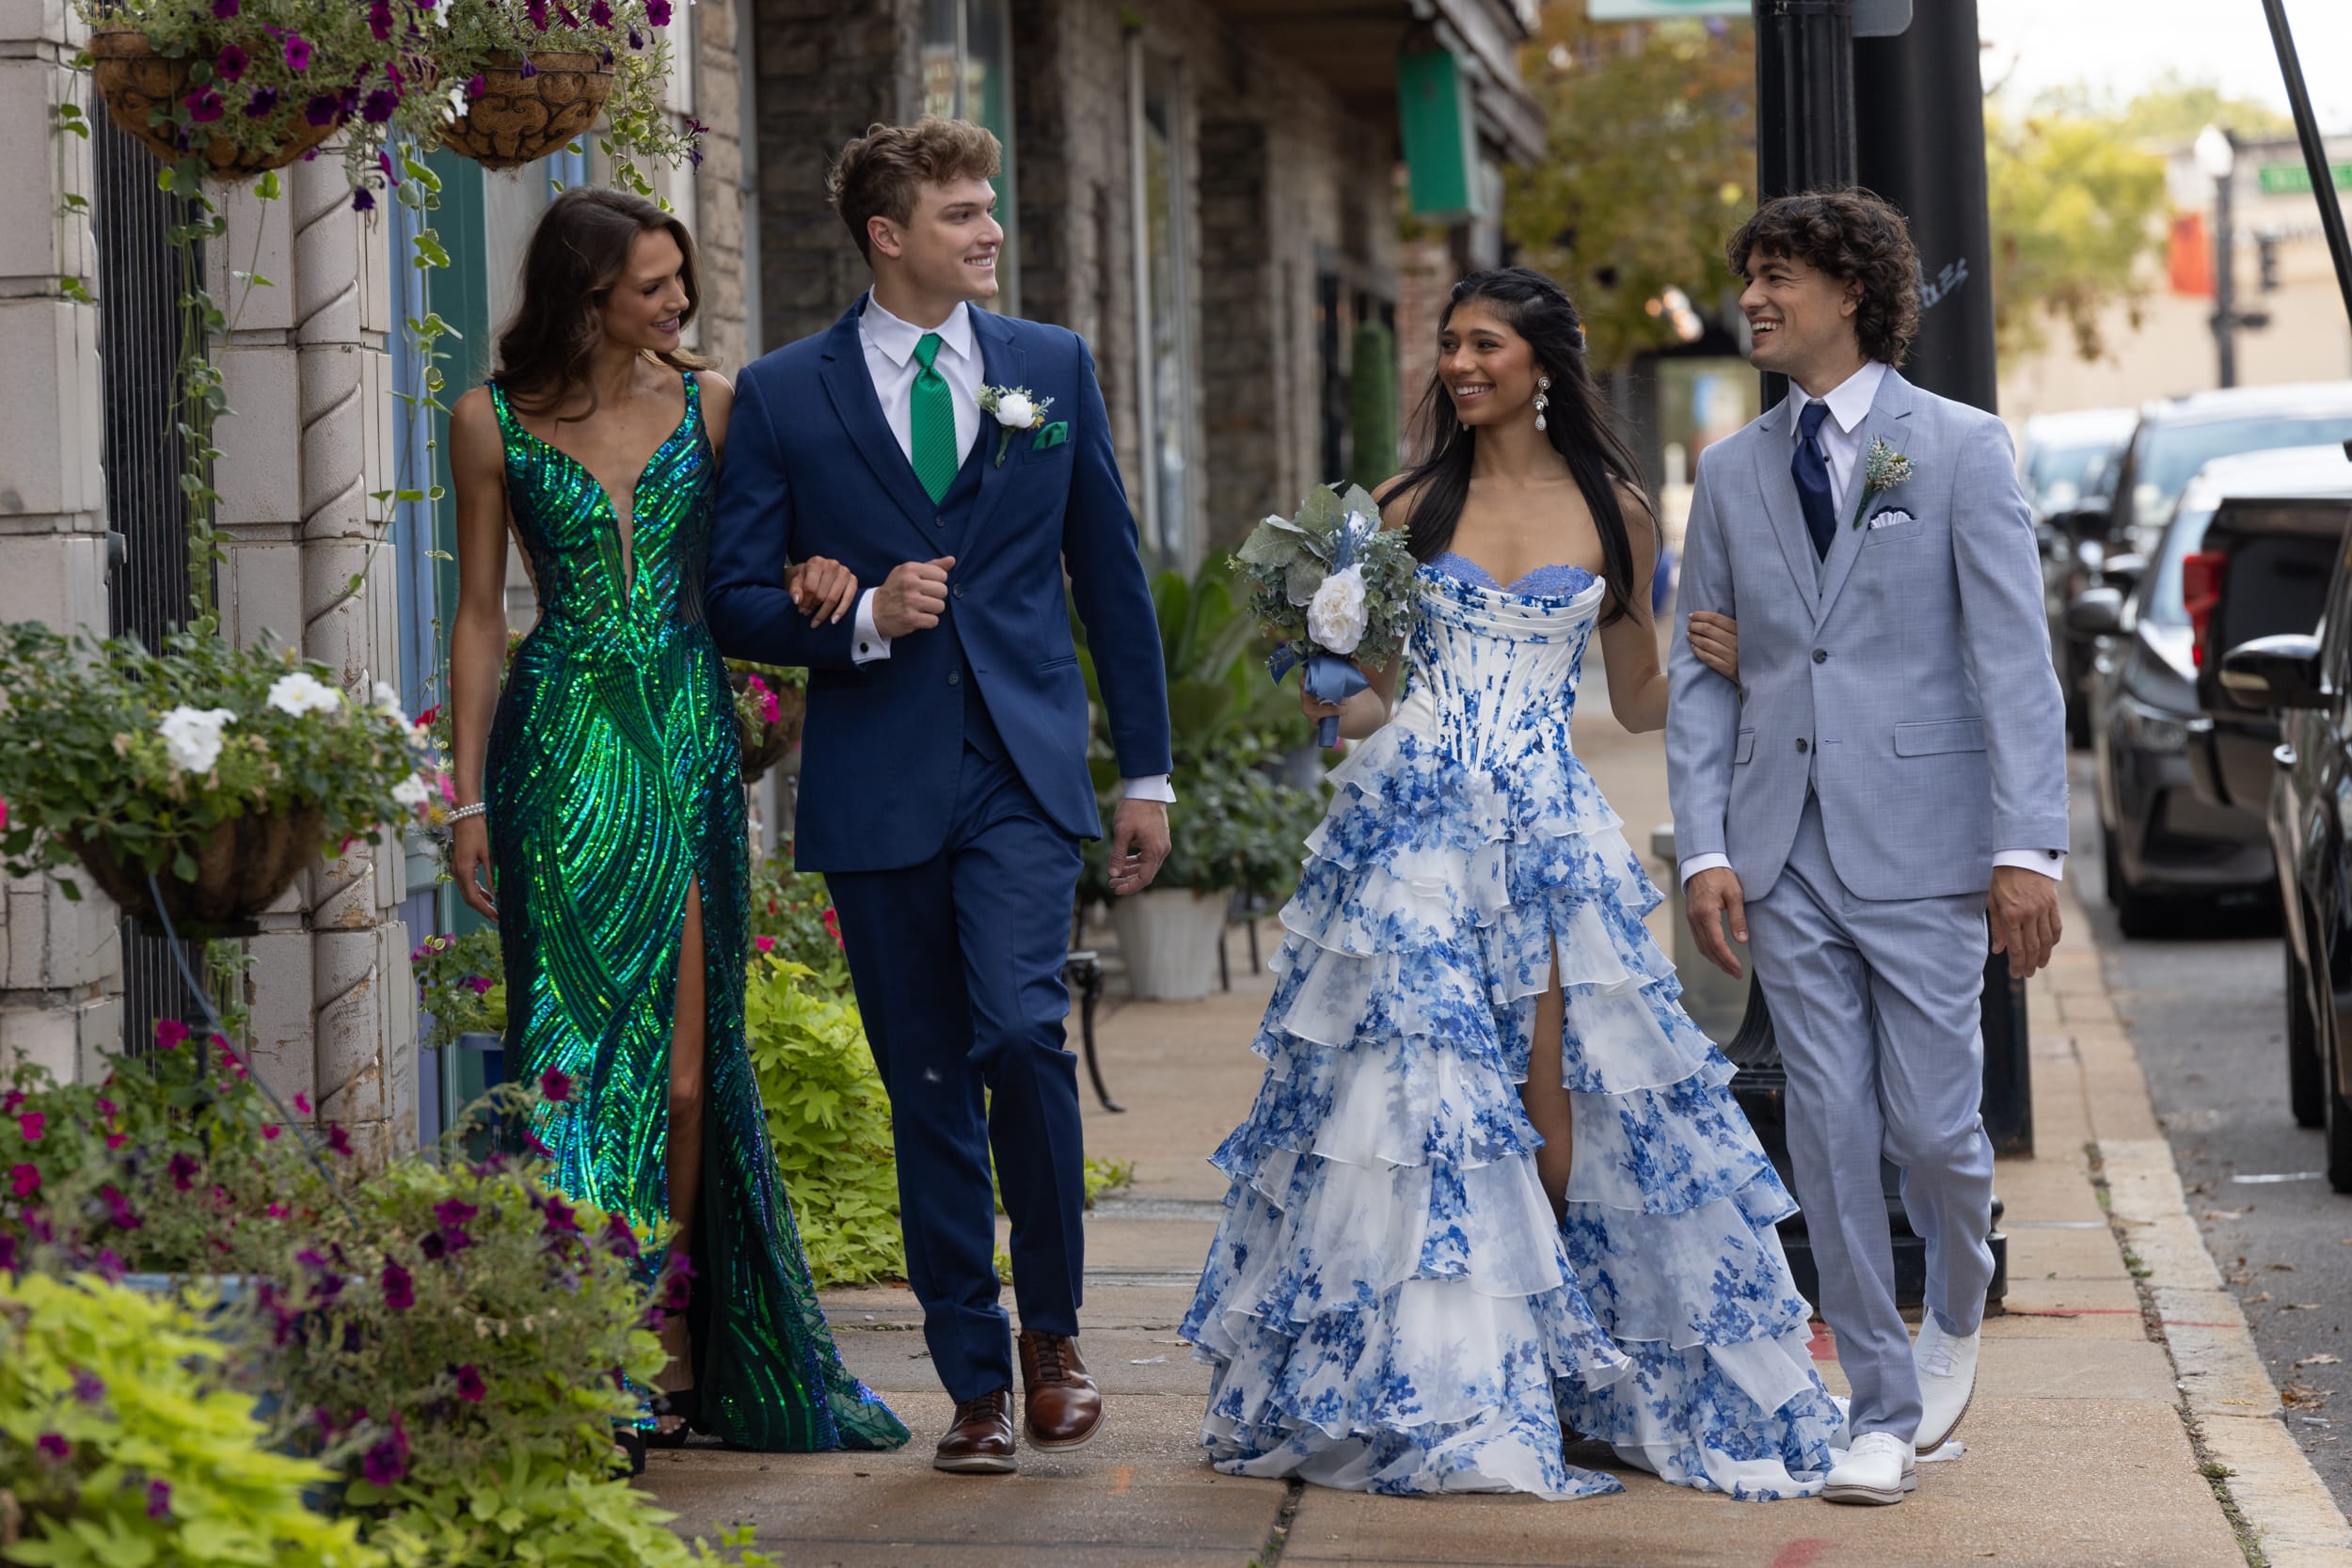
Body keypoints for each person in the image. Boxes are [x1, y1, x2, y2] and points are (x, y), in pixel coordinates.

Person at [1184, 266, 1840, 1501]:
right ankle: (1451, 1398)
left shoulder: (1618, 509)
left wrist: (1732, 669)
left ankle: (1583, 1373)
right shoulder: (1399, 504)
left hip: (1540, 838)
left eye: (1485, 343)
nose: (1461, 363)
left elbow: (1639, 697)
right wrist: (1329, 688)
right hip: (1415, 838)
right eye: (1451, 345)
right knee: (1419, 1116)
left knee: (1550, 1132)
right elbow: (1374, 689)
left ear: (1543, 362)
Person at [703, 119, 1175, 1477]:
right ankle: (971, 1380)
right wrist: (858, 622)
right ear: (887, 236)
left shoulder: (1050, 367)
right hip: (879, 779)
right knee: (921, 1084)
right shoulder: (785, 393)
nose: (988, 232)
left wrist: (1143, 771)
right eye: (961, 214)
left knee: (1025, 1034)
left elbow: (1114, 581)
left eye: (990, 209)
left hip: (1022, 769)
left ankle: (1056, 1339)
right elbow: (734, 596)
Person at [444, 185, 907, 1469]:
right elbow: (482, 616)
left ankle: (682, 1340)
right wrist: (465, 793)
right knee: (570, 1058)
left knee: (693, 1072)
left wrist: (820, 576)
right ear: (586, 295)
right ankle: (593, 1358)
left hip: (686, 738)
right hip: (559, 749)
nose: (679, 306)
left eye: (679, 283)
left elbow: (781, 560)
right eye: (654, 287)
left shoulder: (717, 406)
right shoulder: (487, 422)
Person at [1667, 189, 2067, 1506]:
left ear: (1851, 293)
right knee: (1829, 1132)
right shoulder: (1730, 471)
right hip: (1787, 853)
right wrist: (1706, 847)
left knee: (1936, 1129)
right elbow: (1706, 674)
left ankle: (1958, 1300)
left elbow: (2013, 659)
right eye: (1752, 277)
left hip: (1933, 848)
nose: (1756, 300)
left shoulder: (1956, 449)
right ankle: (1879, 1405)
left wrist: (2033, 851)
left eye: (1779, 276)